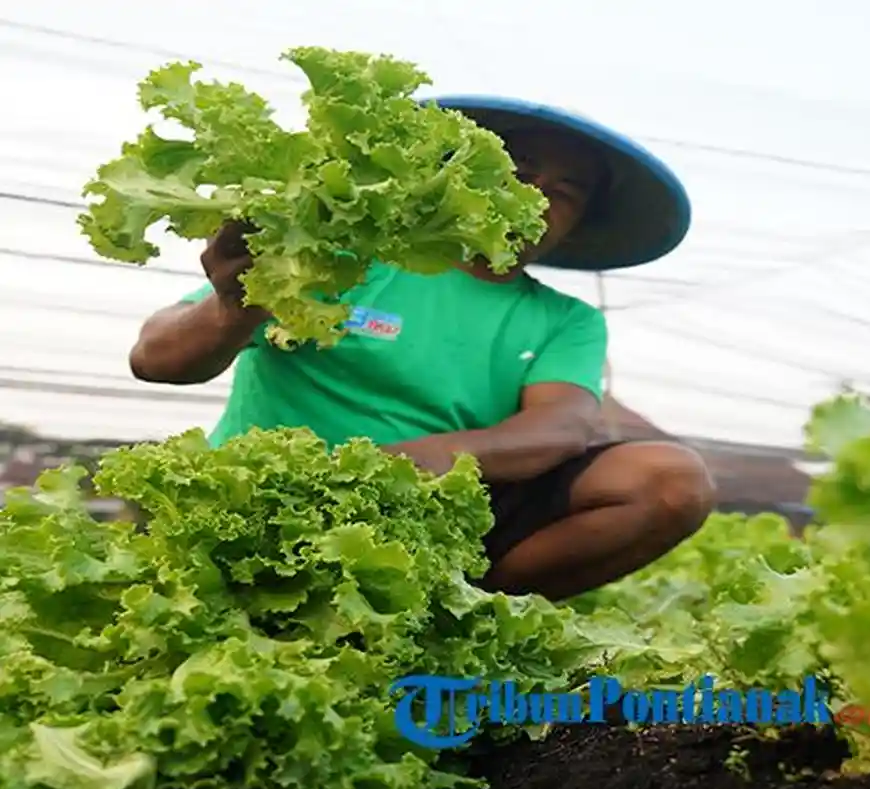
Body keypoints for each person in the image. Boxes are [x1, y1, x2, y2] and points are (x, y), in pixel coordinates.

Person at [127, 96, 715, 601]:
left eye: (566, 192)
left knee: (669, 480)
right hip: (266, 509)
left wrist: (405, 465)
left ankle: (459, 611)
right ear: (455, 172)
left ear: (578, 223)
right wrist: (235, 306)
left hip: (429, 524)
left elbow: (559, 427)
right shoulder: (346, 256)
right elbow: (157, 359)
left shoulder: (563, 320)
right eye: (518, 171)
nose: (537, 196)